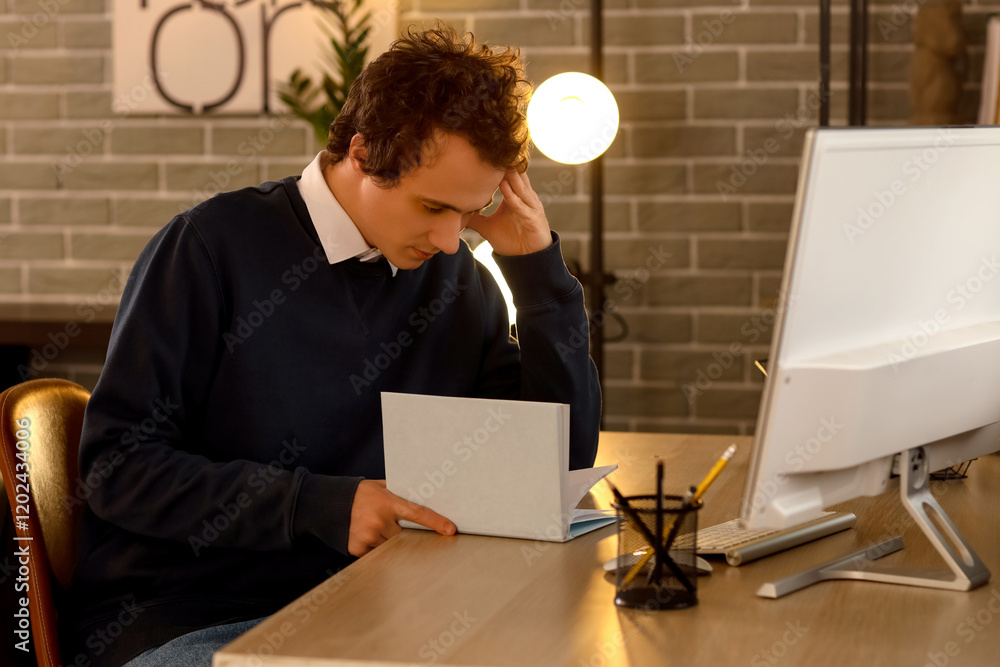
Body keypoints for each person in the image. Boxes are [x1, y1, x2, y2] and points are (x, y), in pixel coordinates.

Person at [68, 26, 601, 667]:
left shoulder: (453, 275)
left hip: (378, 607)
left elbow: (550, 471)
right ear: (363, 150)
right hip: (196, 619)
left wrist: (540, 277)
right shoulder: (210, 249)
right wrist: (317, 506)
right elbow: (116, 469)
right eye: (433, 206)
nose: (452, 238)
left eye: (471, 210)